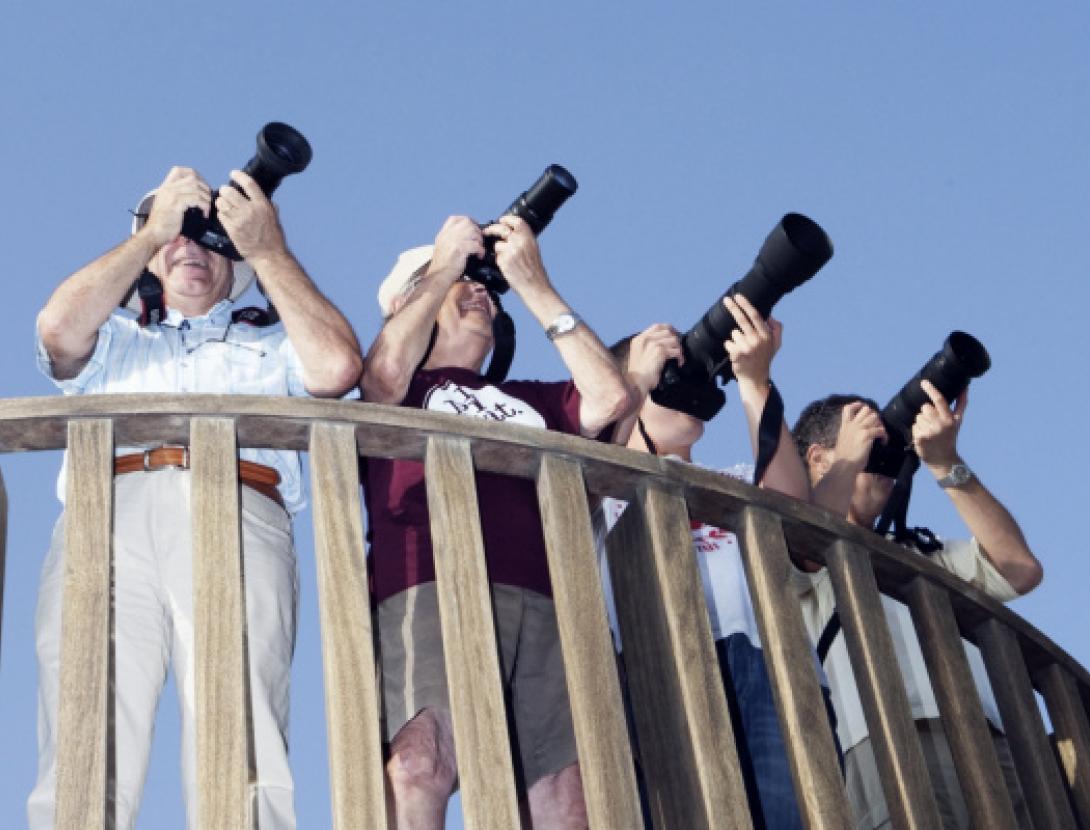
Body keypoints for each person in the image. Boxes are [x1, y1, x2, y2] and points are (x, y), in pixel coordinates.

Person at [32, 165, 363, 829]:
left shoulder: (275, 346)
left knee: (239, 734)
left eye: (209, 236)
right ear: (151, 255)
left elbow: (337, 368)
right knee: (83, 730)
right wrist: (154, 229)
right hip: (107, 518)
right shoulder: (112, 341)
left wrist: (267, 247)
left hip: (239, 510)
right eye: (176, 234)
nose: (191, 246)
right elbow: (57, 330)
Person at [360, 214, 634, 830]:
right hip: (428, 581)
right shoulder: (402, 379)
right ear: (411, 300)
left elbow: (612, 399)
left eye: (484, 282)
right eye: (461, 280)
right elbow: (377, 381)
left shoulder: (530, 399)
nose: (479, 288)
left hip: (542, 594)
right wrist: (444, 266)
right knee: (419, 760)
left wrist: (532, 283)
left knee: (565, 790)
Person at [596, 297, 833, 830]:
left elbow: (792, 513)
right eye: (666, 376)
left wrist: (753, 381)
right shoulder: (596, 488)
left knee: (791, 814)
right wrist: (629, 386)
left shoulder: (732, 481)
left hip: (768, 658)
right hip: (653, 660)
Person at [793, 386, 1042, 828]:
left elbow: (1019, 569)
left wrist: (945, 462)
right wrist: (850, 461)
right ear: (818, 458)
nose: (888, 468)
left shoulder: (918, 549)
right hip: (880, 734)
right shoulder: (798, 548)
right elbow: (803, 553)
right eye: (873, 450)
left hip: (984, 735)